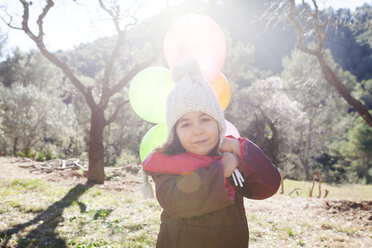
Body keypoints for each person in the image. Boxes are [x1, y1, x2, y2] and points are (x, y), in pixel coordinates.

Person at [142, 59, 281, 248]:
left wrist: (240, 149)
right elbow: (178, 201)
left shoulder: (234, 158)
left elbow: (268, 186)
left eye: (205, 119)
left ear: (218, 124)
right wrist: (222, 169)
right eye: (185, 124)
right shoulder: (167, 164)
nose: (197, 130)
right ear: (175, 133)